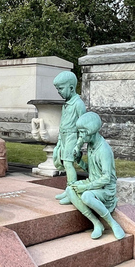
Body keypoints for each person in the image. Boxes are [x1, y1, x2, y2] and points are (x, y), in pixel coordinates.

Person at [65, 112, 125, 240]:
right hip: (93, 183)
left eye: (82, 132)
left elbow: (106, 178)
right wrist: (80, 161)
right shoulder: (91, 146)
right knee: (70, 189)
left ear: (90, 131)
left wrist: (85, 187)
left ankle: (112, 223)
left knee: (86, 196)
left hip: (105, 189)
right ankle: (96, 223)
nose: (80, 136)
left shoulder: (104, 150)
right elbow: (92, 171)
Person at [52, 71, 86, 205]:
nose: (58, 92)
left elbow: (83, 127)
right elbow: (62, 123)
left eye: (60, 88)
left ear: (71, 88)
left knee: (68, 164)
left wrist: (78, 145)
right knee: (65, 164)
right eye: (57, 89)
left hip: (72, 136)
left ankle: (72, 192)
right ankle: (68, 190)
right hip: (64, 137)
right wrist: (59, 141)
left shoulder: (78, 104)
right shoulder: (66, 104)